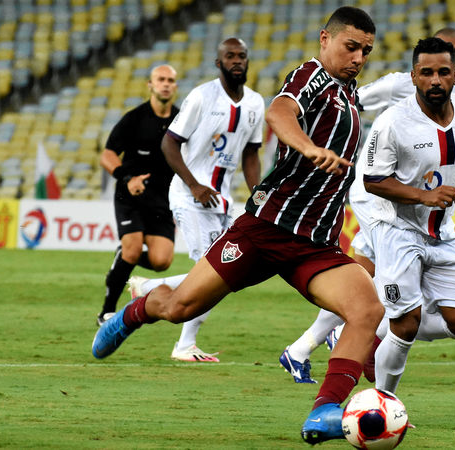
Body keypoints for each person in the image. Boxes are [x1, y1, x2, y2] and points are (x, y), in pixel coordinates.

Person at [92, 7, 380, 444]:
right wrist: (307, 147)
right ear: (325, 39)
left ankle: (324, 412)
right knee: (181, 308)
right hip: (265, 230)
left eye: (366, 51)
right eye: (350, 46)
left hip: (315, 244)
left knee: (367, 311)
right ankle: (134, 312)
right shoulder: (312, 75)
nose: (358, 57)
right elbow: (280, 114)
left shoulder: (352, 95)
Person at [279, 27, 455, 383]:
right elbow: (350, 103)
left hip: (425, 212)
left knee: (365, 276)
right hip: (381, 197)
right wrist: (327, 144)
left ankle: (305, 347)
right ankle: (356, 339)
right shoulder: (397, 90)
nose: (451, 60)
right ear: (416, 72)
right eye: (434, 64)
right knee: (378, 290)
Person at [363, 37, 455, 393]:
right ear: (413, 76)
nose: (436, 80)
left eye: (444, 72)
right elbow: (373, 181)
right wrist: (424, 196)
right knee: (407, 324)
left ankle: (377, 329)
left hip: (443, 234)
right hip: (398, 231)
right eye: (427, 73)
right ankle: (384, 401)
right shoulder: (392, 122)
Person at [127, 37, 264, 363]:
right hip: (191, 197)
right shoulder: (202, 96)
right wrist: (194, 185)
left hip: (224, 200)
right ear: (218, 63)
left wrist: (258, 194)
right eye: (229, 56)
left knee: (236, 268)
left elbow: (251, 154)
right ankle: (184, 344)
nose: (237, 61)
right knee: (215, 272)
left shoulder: (257, 103)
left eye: (241, 56)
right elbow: (169, 144)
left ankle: (150, 288)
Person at [96, 64, 179, 326]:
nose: (165, 84)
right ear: (150, 85)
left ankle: (124, 258)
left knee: (162, 261)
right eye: (160, 79)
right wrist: (126, 178)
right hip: (130, 193)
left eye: (170, 80)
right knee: (132, 250)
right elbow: (107, 154)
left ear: (175, 86)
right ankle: (107, 311)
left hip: (162, 199)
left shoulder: (181, 120)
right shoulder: (134, 118)